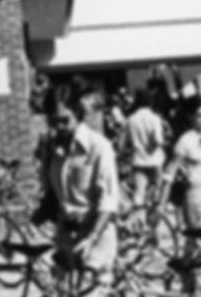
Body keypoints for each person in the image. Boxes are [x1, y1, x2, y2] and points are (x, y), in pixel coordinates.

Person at [40, 83, 121, 285]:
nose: (58, 128)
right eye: (53, 122)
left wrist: (92, 238)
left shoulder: (99, 147)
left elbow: (109, 202)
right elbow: (52, 193)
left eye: (64, 121)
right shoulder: (51, 148)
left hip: (94, 237)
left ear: (78, 114)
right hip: (65, 235)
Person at [160, 99, 201, 251]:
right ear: (191, 118)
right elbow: (169, 173)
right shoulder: (185, 141)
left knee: (199, 244)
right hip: (193, 198)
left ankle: (184, 270)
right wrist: (161, 203)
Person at [122, 86, 169, 209]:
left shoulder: (130, 119)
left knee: (139, 193)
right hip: (155, 160)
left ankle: (139, 222)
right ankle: (155, 221)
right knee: (157, 192)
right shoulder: (155, 118)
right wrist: (165, 143)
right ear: (150, 101)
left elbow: (124, 142)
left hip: (138, 160)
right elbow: (158, 140)